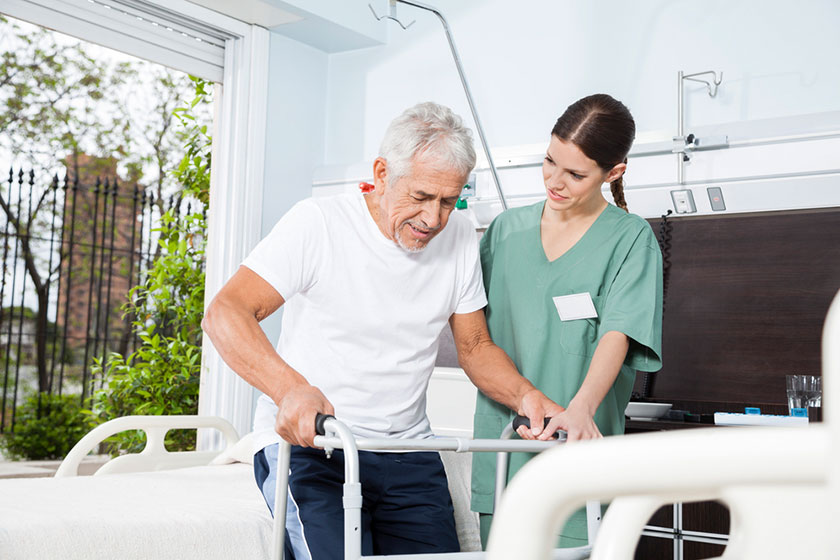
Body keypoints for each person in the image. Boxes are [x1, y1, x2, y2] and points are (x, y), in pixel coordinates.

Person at [202, 101, 563, 559]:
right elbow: (226, 312)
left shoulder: (458, 237)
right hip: (318, 449)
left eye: (448, 201)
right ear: (382, 172)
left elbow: (474, 346)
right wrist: (290, 389)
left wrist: (526, 397)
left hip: (409, 452)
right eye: (420, 197)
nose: (433, 219)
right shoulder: (319, 223)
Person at [470, 93, 663, 548]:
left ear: (613, 172)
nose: (555, 181)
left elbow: (620, 331)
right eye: (549, 162)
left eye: (575, 174)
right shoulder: (505, 232)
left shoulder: (629, 238)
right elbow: (474, 336)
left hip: (577, 454)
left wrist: (581, 409)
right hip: (503, 454)